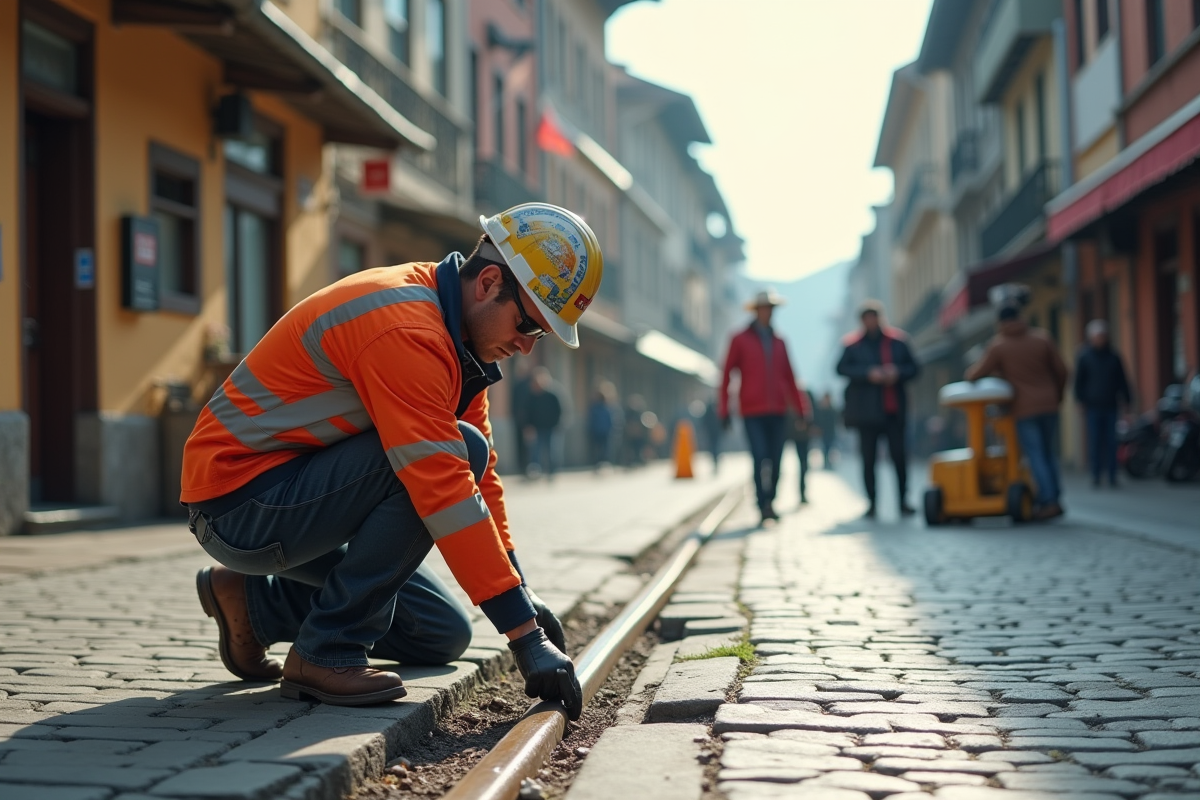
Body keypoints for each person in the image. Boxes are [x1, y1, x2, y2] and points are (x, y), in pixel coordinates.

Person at [180, 202, 602, 715]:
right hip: (240, 505)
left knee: (440, 634)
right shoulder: (407, 328)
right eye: (530, 326)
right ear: (489, 282)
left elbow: (481, 477)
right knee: (452, 450)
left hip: (292, 498)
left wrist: (521, 592)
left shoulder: (460, 340)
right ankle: (326, 651)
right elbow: (444, 482)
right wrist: (523, 637)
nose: (528, 346)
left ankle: (255, 605)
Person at [966, 304, 1069, 520]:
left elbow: (976, 374)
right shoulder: (1042, 338)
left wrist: (972, 374)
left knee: (1035, 454)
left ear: (1001, 323)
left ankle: (1048, 501)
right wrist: (1057, 395)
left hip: (1024, 408)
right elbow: (1062, 371)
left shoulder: (999, 346)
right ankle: (1055, 497)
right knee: (1049, 452)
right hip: (1049, 404)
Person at [718, 289, 812, 524]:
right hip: (752, 411)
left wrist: (802, 410)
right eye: (763, 309)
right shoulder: (739, 339)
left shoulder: (780, 341)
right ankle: (763, 503)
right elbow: (726, 374)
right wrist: (724, 409)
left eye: (770, 309)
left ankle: (771, 499)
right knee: (760, 457)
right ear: (756, 311)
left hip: (778, 411)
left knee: (777, 458)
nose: (767, 313)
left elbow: (790, 377)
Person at [837, 301, 919, 519]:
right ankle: (872, 502)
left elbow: (914, 368)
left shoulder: (898, 341)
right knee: (869, 459)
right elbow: (841, 368)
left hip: (893, 410)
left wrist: (897, 372)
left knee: (899, 457)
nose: (871, 322)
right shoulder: (853, 345)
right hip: (867, 413)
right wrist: (867, 373)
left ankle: (903, 500)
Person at [1074, 319, 1131, 488]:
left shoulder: (1114, 356)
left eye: (1103, 336)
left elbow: (1122, 380)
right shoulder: (1084, 356)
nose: (1100, 339)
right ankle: (1096, 474)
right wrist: (1080, 400)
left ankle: (1113, 475)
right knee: (1095, 441)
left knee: (1112, 441)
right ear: (1091, 337)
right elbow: (1079, 381)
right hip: (1093, 405)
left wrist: (1127, 400)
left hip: (1111, 404)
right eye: (1098, 336)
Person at [526, 367, 565, 479]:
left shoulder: (553, 395)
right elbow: (528, 412)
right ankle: (535, 470)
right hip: (537, 428)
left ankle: (552, 471)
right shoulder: (532, 396)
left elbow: (560, 411)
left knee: (552, 450)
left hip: (551, 428)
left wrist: (558, 424)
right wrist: (528, 426)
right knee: (536, 451)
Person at [788, 389, 817, 504]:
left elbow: (813, 413)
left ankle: (802, 492)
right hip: (792, 432)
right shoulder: (790, 393)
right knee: (803, 463)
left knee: (803, 464)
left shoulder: (805, 393)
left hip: (802, 434)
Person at [586, 381, 621, 469]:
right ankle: (599, 464)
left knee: (604, 450)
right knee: (600, 449)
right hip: (599, 431)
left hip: (603, 431)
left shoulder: (606, 407)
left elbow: (610, 420)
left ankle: (603, 464)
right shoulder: (597, 407)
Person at [813, 392, 839, 469]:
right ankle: (825, 462)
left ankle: (829, 463)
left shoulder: (833, 410)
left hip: (831, 432)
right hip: (823, 432)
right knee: (824, 449)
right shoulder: (821, 409)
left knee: (830, 449)